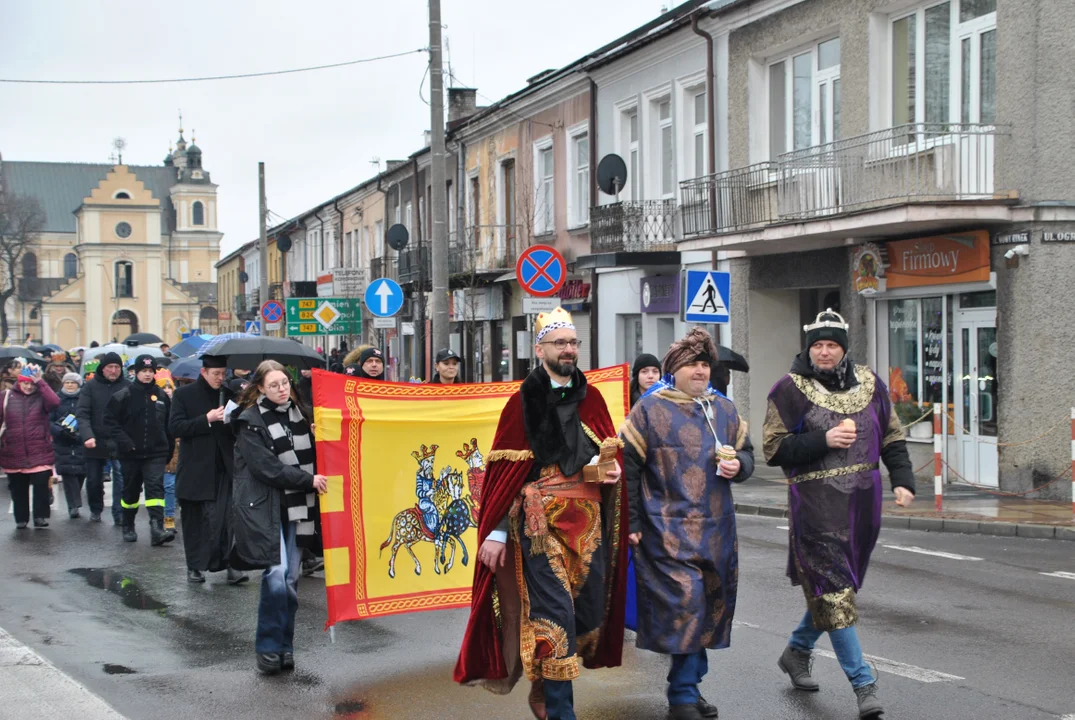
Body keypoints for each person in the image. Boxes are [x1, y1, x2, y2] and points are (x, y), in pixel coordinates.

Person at [455, 307, 628, 720]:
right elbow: (503, 476)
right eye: (560, 343)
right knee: (557, 617)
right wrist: (496, 533)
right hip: (538, 525)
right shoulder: (521, 403)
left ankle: (542, 683)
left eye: (573, 343)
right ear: (540, 349)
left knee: (585, 613)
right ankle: (560, 710)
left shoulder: (594, 397)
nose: (568, 350)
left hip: (587, 526)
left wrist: (611, 471)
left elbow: (599, 460)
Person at [763, 309, 915, 720]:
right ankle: (864, 685)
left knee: (838, 590)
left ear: (843, 348)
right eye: (818, 345)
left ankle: (797, 650)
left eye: (832, 345)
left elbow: (892, 436)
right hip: (814, 504)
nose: (825, 352)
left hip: (862, 505)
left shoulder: (870, 383)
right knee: (832, 589)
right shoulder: (788, 389)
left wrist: (903, 480)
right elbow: (774, 449)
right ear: (808, 349)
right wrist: (823, 439)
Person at [621, 329, 754, 719]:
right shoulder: (648, 409)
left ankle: (690, 687)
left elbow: (748, 455)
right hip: (666, 530)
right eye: (692, 364)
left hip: (716, 531)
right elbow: (627, 466)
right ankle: (681, 695)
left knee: (710, 606)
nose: (699, 371)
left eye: (703, 364)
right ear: (674, 369)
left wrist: (739, 465)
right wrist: (630, 521)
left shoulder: (724, 410)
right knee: (688, 606)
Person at [231, 360, 328, 674]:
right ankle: (269, 648)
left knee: (289, 579)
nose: (281, 389)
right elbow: (266, 468)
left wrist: (319, 436)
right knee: (276, 576)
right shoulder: (249, 421)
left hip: (301, 508)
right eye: (274, 385)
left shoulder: (305, 416)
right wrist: (307, 481)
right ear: (260, 388)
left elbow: (321, 456)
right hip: (267, 509)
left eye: (285, 383)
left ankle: (285, 647)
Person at [169, 355, 247, 585]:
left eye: (223, 373)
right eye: (216, 374)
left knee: (227, 520)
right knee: (196, 520)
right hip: (196, 468)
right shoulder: (184, 395)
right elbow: (175, 427)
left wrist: (234, 420)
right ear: (204, 372)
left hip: (224, 467)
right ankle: (195, 566)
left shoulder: (229, 395)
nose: (220, 378)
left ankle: (231, 564)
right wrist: (207, 418)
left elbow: (239, 428)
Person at [105, 355, 175, 545]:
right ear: (136, 372)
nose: (147, 374)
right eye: (143, 371)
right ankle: (128, 525)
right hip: (130, 453)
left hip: (156, 453)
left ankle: (157, 529)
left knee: (155, 490)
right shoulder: (123, 395)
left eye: (150, 371)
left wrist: (168, 449)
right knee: (131, 492)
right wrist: (125, 442)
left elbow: (169, 424)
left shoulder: (161, 395)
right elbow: (110, 422)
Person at [1, 365, 61, 529]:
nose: (28, 387)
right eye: (25, 383)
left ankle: (40, 516)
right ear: (19, 382)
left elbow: (55, 402)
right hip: (14, 450)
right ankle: (21, 518)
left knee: (41, 485)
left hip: (39, 450)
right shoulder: (6, 397)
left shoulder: (42, 396)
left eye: (31, 384)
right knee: (18, 488)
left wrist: (40, 382)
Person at [76, 351, 129, 524]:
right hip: (95, 439)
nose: (113, 371)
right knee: (93, 479)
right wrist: (87, 435)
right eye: (110, 367)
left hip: (118, 439)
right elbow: (82, 413)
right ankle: (96, 508)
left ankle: (119, 512)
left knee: (121, 476)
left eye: (116, 367)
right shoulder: (90, 387)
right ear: (103, 368)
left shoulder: (127, 386)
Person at [50, 372, 87, 519]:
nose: (70, 385)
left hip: (80, 440)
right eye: (67, 382)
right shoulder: (56, 399)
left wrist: (83, 432)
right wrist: (59, 431)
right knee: (67, 473)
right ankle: (73, 505)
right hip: (62, 441)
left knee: (80, 472)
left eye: (73, 383)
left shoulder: (85, 398)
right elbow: (49, 419)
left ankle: (75, 499)